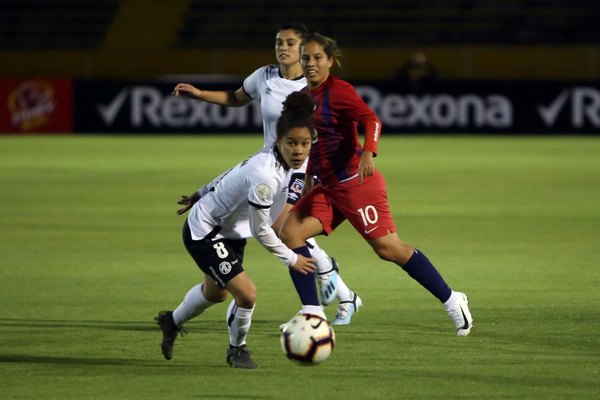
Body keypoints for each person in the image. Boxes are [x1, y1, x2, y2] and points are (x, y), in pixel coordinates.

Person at [279, 33, 473, 336]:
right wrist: (307, 179)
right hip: (328, 188)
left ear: (330, 60)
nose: (311, 63)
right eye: (306, 58)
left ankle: (451, 299)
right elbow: (315, 143)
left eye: (317, 57)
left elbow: (372, 119)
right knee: (290, 232)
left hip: (357, 183)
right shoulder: (305, 97)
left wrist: (368, 152)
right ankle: (312, 313)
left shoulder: (339, 91)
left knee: (388, 248)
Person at [172, 23, 361, 325]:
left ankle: (322, 290)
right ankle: (341, 290)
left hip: (303, 171)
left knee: (282, 231)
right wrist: (199, 94)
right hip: (270, 166)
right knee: (281, 232)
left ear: (304, 50)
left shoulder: (314, 86)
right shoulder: (265, 76)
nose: (283, 48)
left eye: (290, 43)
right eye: (278, 42)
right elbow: (235, 98)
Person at [155, 92, 320, 369]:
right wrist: (292, 259)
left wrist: (202, 190)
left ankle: (170, 321)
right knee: (247, 294)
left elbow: (233, 171)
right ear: (278, 141)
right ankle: (237, 350)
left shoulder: (296, 161)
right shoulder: (264, 175)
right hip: (207, 229)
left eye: (304, 143)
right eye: (291, 143)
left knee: (216, 294)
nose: (298, 150)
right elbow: (261, 229)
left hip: (231, 231)